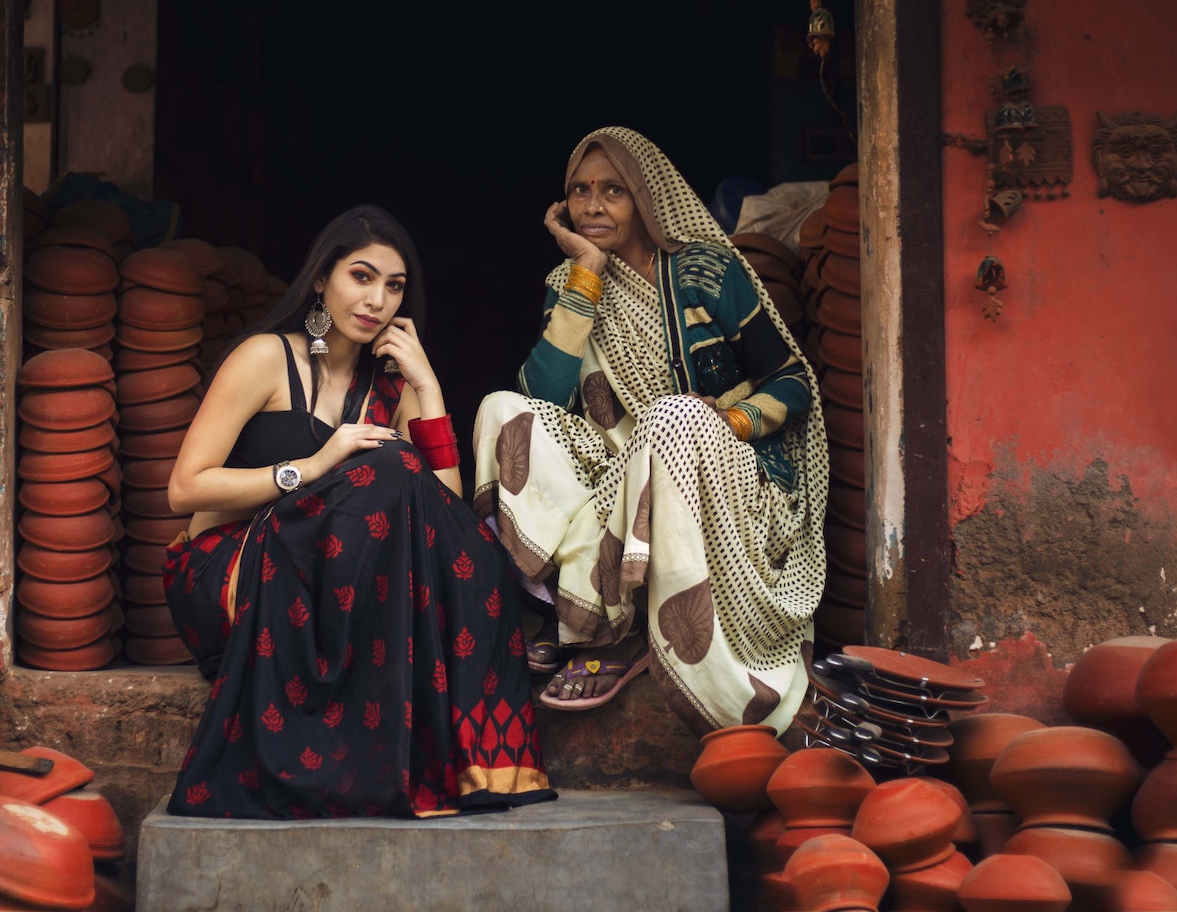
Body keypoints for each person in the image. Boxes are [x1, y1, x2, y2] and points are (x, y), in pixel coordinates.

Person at [162, 205, 554, 819]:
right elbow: (184, 490)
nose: (376, 300)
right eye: (361, 276)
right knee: (389, 467)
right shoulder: (267, 357)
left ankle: (427, 762)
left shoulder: (390, 388)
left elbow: (444, 522)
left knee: (435, 511)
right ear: (322, 279)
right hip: (229, 572)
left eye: (393, 286)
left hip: (333, 587)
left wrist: (427, 388)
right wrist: (313, 467)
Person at [472, 127, 828, 735]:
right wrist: (585, 271)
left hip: (727, 478)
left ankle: (623, 632)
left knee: (671, 416)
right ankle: (587, 619)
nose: (592, 206)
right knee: (501, 408)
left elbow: (793, 381)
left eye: (613, 190)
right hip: (618, 472)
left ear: (644, 197)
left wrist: (732, 419)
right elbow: (543, 398)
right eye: (579, 191)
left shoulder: (705, 273)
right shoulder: (569, 285)